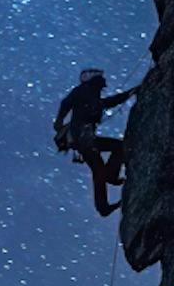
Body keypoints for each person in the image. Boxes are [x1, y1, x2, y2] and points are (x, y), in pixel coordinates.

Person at [54, 68, 139, 217]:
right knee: (116, 148)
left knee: (99, 169)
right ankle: (110, 179)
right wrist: (59, 119)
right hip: (84, 138)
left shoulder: (88, 93)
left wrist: (130, 92)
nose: (104, 80)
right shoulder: (84, 91)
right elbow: (68, 103)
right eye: (101, 78)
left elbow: (107, 102)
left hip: (81, 139)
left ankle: (103, 205)